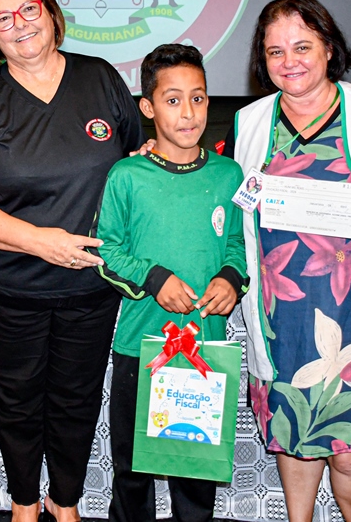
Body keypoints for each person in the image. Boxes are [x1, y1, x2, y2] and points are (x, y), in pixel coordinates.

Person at [0, 0, 145, 522]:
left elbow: (135, 163)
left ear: (52, 14)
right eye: (2, 18)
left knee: (77, 399)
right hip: (11, 288)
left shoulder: (100, 79)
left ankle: (66, 500)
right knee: (17, 399)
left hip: (91, 287)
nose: (19, 24)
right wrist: (37, 241)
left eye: (28, 9)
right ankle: (25, 503)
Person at [226, 0, 351, 522]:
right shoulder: (248, 122)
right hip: (281, 315)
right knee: (294, 438)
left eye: (302, 46)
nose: (289, 61)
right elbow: (228, 199)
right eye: (275, 51)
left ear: (329, 48)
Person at [91, 44, 248, 522]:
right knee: (133, 470)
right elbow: (106, 251)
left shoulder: (229, 174)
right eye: (173, 100)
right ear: (148, 107)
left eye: (197, 98)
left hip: (206, 348)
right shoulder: (126, 175)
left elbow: (238, 244)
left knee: (195, 474)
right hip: (142, 346)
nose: (188, 112)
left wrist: (230, 279)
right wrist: (155, 279)